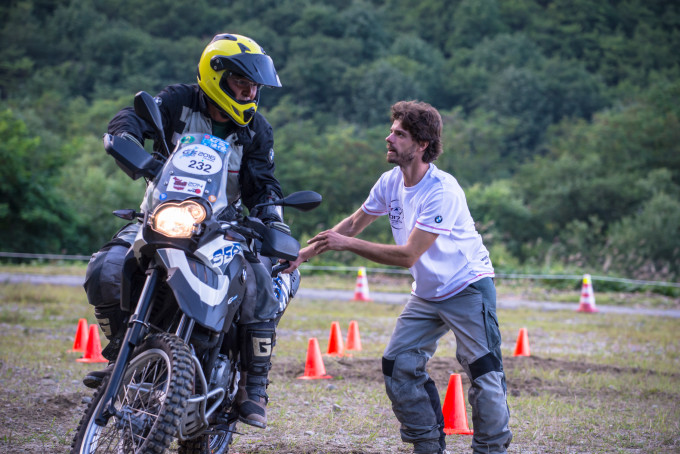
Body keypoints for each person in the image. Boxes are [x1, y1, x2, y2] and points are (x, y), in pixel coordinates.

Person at [82, 33, 288, 429]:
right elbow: (132, 118)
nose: (249, 93)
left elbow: (263, 185)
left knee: (260, 281)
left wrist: (273, 221)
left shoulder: (256, 129)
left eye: (254, 86)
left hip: (222, 227)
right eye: (241, 83)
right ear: (216, 76)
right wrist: (126, 138)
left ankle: (253, 386)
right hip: (161, 215)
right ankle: (121, 357)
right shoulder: (178, 102)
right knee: (105, 268)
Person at [284, 101, 512, 454]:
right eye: (391, 131)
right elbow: (353, 223)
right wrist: (303, 254)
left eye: (399, 134)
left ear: (421, 144)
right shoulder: (390, 182)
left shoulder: (442, 191)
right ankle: (428, 446)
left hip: (467, 286)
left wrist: (348, 245)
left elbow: (407, 255)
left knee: (483, 372)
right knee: (397, 364)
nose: (388, 138)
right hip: (428, 293)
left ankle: (491, 450)